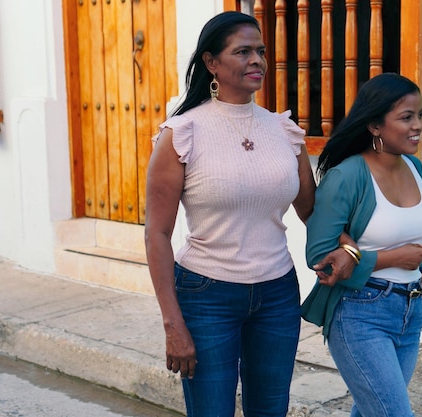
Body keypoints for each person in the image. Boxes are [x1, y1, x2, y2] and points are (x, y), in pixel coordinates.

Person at [144, 11, 316, 417]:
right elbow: (156, 234)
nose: (257, 60)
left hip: (277, 293)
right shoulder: (182, 133)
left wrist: (354, 246)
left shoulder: (284, 131)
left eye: (260, 51)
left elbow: (312, 211)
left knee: (271, 409)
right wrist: (173, 324)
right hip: (207, 296)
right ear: (211, 63)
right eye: (243, 51)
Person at [301, 72, 422, 417]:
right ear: (375, 125)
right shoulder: (347, 176)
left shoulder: (414, 167)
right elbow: (320, 255)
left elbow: (414, 238)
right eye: (405, 117)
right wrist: (392, 258)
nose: (416, 125)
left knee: (371, 411)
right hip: (361, 312)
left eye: (419, 114)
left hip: (410, 309)